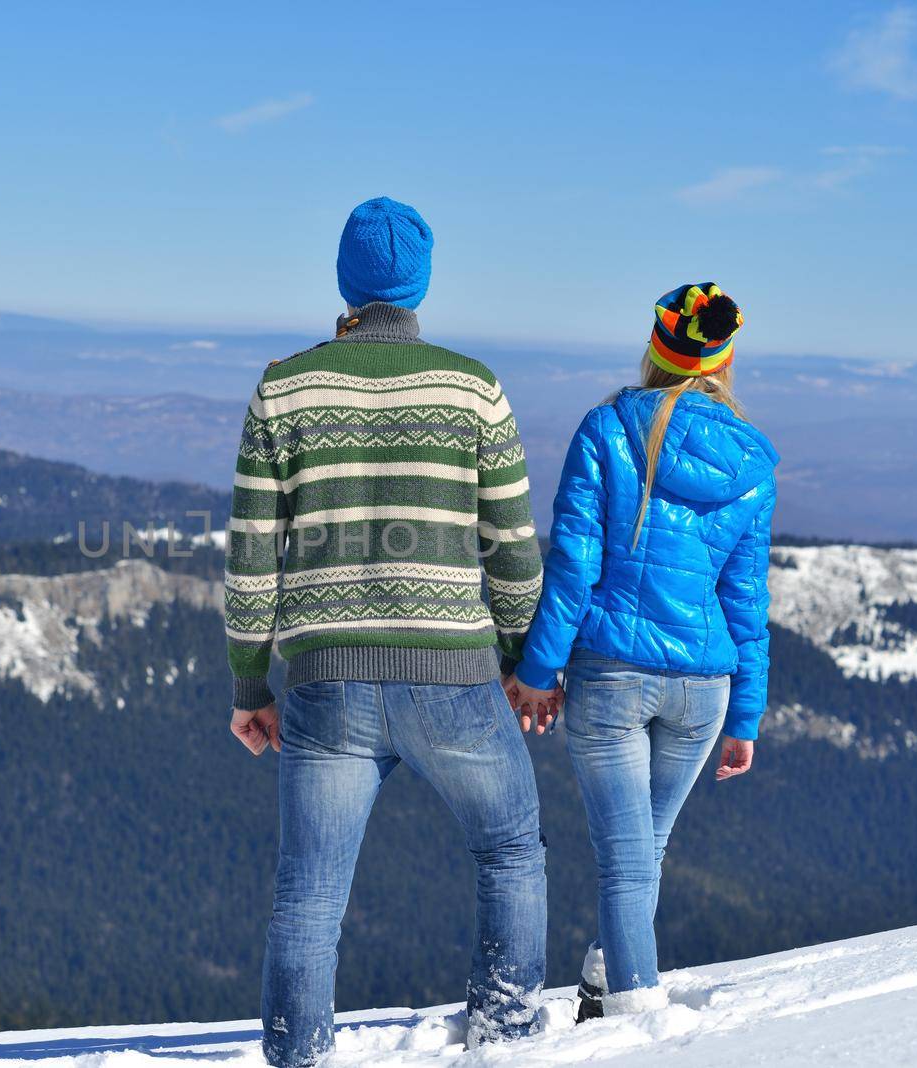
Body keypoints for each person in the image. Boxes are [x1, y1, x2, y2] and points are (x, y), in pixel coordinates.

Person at [224, 197, 547, 1066]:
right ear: (421, 285)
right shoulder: (471, 385)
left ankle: (298, 1058)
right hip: (455, 675)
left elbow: (254, 554)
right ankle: (507, 1039)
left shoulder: (285, 385)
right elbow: (511, 547)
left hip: (325, 678)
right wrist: (524, 661)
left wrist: (250, 687)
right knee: (510, 848)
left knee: (308, 900)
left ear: (345, 282)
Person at [506, 282, 777, 1019]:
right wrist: (745, 715)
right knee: (642, 853)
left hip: (613, 677)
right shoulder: (752, 463)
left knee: (627, 860)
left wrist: (537, 669)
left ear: (657, 351)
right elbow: (746, 603)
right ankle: (603, 977)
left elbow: (572, 564)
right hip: (704, 688)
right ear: (721, 362)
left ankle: (635, 1023)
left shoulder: (606, 429)